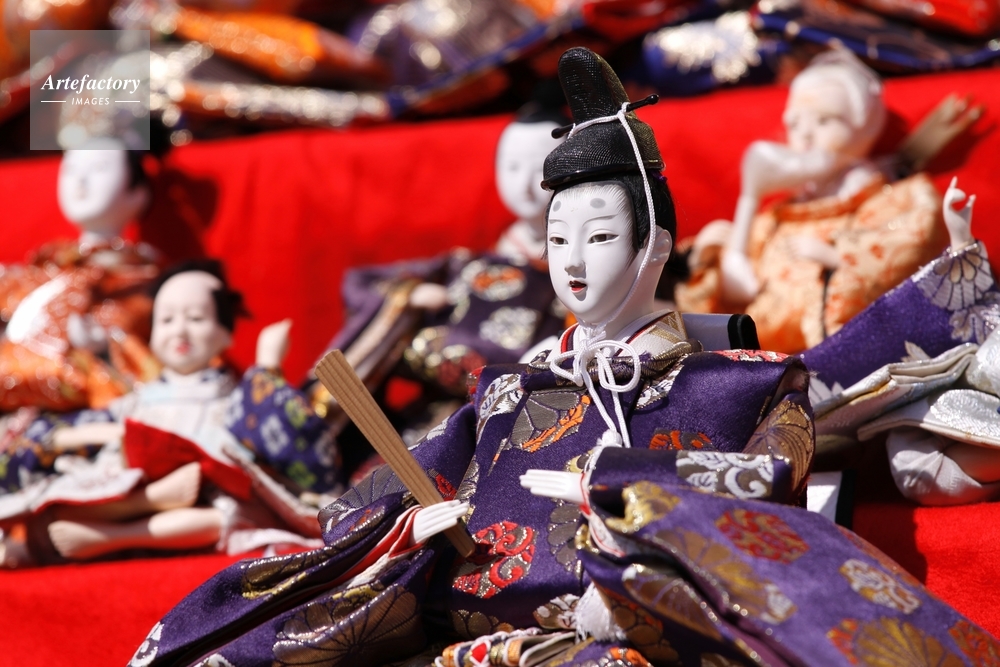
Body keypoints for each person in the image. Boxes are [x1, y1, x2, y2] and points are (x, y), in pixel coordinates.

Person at [130, 49, 993, 667]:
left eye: (601, 236)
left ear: (656, 245)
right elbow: (401, 482)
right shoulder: (512, 387)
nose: (573, 262)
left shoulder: (747, 383)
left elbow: (765, 489)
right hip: (471, 641)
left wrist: (625, 504)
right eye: (558, 238)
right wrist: (411, 525)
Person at [0, 260, 340, 565]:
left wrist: (267, 365)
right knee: (55, 505)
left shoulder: (234, 399)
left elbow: (271, 431)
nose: (179, 330)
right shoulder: (140, 399)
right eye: (167, 319)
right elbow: (95, 424)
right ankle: (143, 504)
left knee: (227, 514)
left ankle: (114, 536)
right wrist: (75, 436)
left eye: (195, 318)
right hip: (135, 484)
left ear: (225, 334)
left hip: (201, 494)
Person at [675, 50, 948, 353]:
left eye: (824, 121)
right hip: (760, 358)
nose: (805, 135)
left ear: (866, 125)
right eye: (795, 124)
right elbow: (732, 296)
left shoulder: (897, 200)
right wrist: (723, 240)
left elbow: (910, 248)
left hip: (835, 359)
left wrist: (836, 260)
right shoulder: (774, 220)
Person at [0, 138, 162, 412]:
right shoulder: (46, 265)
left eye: (99, 169)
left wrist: (103, 343)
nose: (81, 181)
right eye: (71, 170)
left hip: (81, 400)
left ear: (138, 193)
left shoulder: (138, 273)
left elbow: (135, 342)